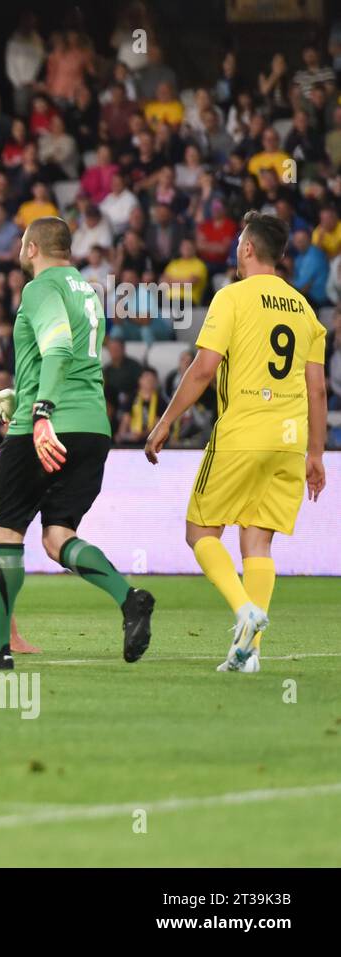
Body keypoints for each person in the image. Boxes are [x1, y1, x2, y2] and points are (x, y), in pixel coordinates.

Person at [145, 212, 328, 673]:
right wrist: (316, 453)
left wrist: (166, 420)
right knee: (258, 545)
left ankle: (244, 610)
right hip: (288, 441)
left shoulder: (231, 298)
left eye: (238, 242)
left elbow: (204, 368)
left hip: (242, 432)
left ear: (248, 249)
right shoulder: (305, 310)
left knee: (200, 532)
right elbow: (318, 389)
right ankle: (251, 655)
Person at [0, 217, 155, 670]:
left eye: (21, 242)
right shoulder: (88, 292)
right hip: (93, 428)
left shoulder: (39, 289)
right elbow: (72, 361)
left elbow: (57, 349)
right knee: (57, 537)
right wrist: (19, 394)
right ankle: (128, 597)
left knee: (5, 533)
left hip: (47, 429)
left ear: (32, 248)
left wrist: (39, 413)